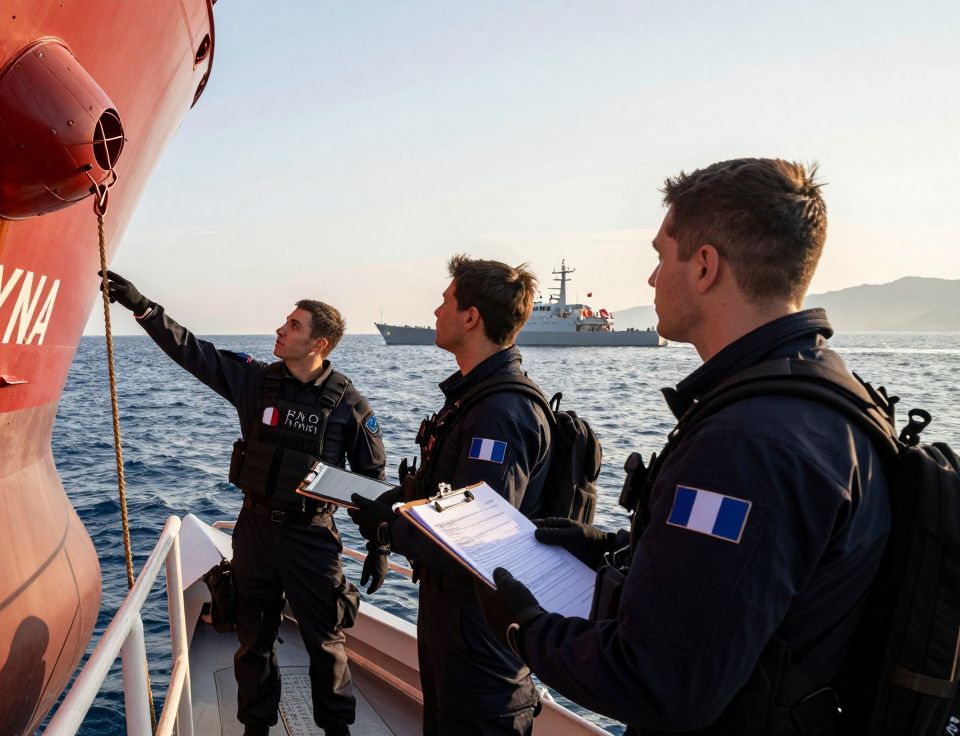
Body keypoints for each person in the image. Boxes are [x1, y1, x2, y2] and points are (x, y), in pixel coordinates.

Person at [474, 158, 891, 734]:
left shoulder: (747, 444)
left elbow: (659, 682)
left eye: (659, 255)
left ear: (703, 266)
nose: (650, 280)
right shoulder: (827, 399)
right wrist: (612, 548)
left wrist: (522, 626)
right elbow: (758, 575)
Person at [100, 271, 386, 736]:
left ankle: (337, 731)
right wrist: (143, 307)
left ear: (320, 343)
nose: (280, 329)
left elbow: (371, 483)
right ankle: (256, 729)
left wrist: (379, 548)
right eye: (285, 322)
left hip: (310, 538)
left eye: (293, 325)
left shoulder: (348, 405)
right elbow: (193, 352)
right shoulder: (257, 382)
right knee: (253, 641)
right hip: (254, 530)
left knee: (325, 643)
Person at [348, 255, 553, 735]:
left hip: (480, 636)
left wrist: (387, 528)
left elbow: (475, 533)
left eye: (445, 302)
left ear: (471, 317)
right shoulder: (473, 400)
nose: (436, 313)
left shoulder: (501, 412)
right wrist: (396, 503)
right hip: (451, 622)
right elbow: (451, 494)